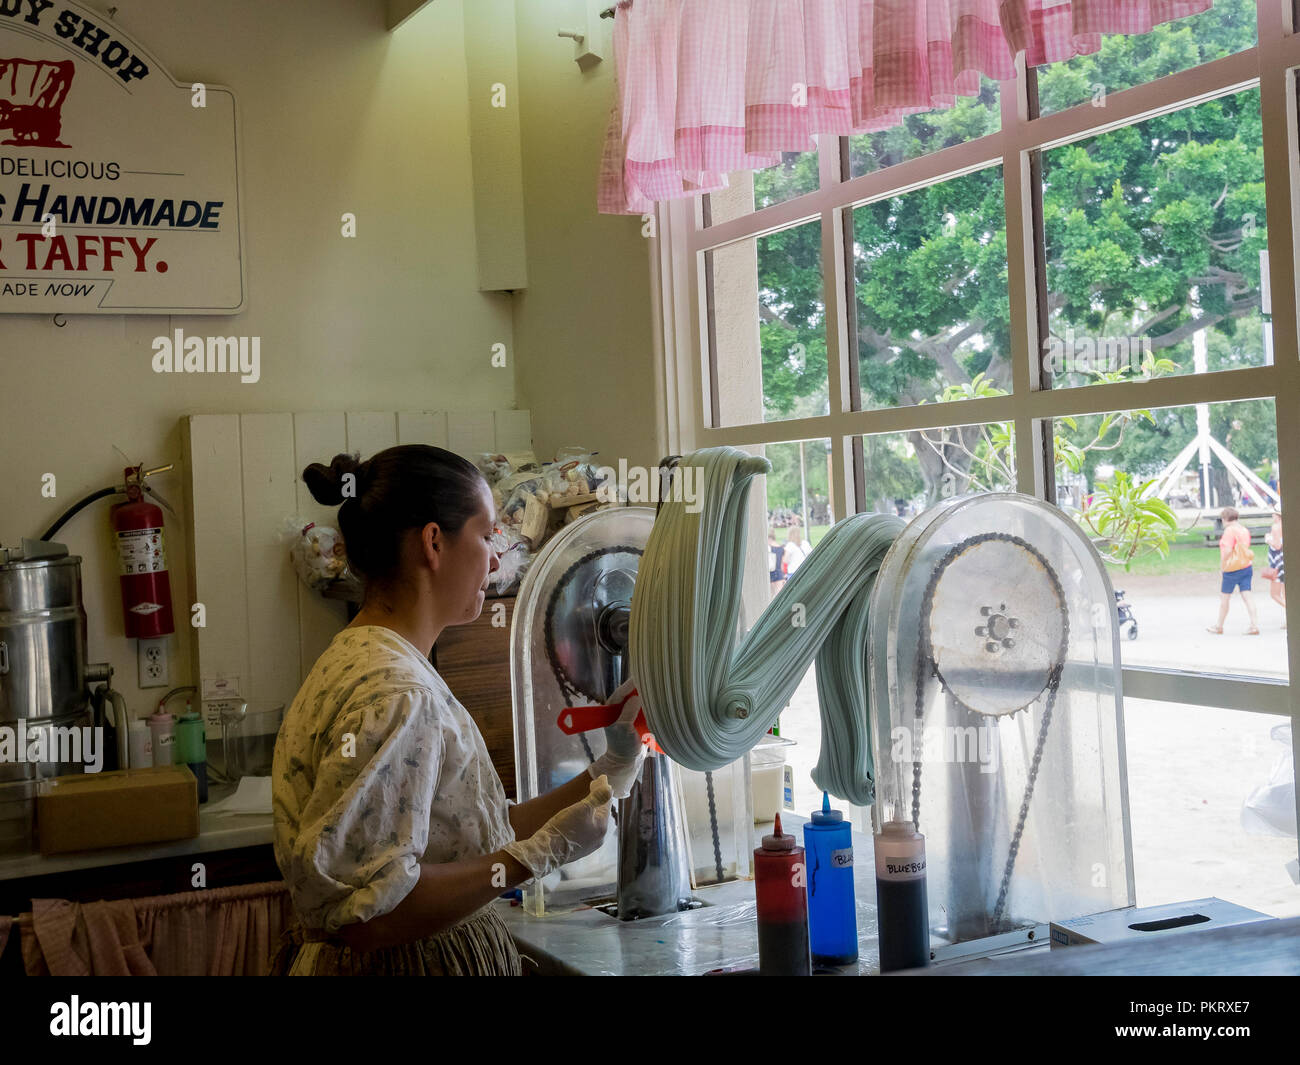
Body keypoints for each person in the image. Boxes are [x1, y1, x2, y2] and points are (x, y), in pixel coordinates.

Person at [269, 446, 645, 975]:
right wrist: (536, 858)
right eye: (487, 534)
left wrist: (611, 770)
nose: (496, 557)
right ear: (433, 542)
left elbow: (469, 837)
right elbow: (370, 916)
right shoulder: (398, 695)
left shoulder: (363, 658)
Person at [1207, 505, 1261, 636]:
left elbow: (1227, 551)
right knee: (1247, 595)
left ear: (1225, 518)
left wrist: (1223, 565)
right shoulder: (1243, 530)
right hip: (1246, 566)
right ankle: (1254, 624)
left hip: (1231, 568)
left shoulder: (1229, 531)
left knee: (1225, 598)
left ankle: (1219, 626)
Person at [1264, 505, 1285, 629]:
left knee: (1275, 594)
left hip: (1277, 562)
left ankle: (1292, 613)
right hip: (1284, 560)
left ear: (1277, 515)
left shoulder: (1276, 527)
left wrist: (1268, 539)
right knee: (1285, 592)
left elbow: (1277, 545)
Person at [768, 529, 785, 596]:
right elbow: (782, 564)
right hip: (779, 573)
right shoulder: (781, 548)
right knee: (778, 595)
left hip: (771, 572)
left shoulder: (769, 548)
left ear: (769, 538)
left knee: (770, 596)